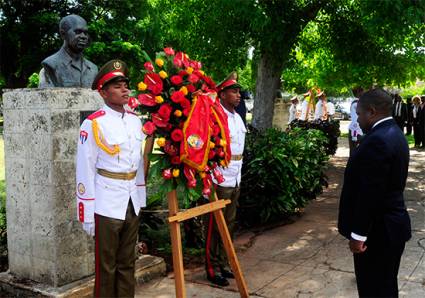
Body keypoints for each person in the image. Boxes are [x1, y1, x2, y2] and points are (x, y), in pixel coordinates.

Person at [76, 59, 147, 297]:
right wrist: (86, 212)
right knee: (106, 266)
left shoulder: (135, 121)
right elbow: (84, 168)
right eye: (117, 86)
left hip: (130, 200)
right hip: (106, 202)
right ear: (103, 92)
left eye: (126, 84)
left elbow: (136, 163)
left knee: (127, 263)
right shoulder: (93, 123)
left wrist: (141, 197)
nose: (125, 89)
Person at [338, 88, 411, 298]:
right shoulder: (394, 132)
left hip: (378, 232)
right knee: (385, 286)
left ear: (371, 111)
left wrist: (358, 235)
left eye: (359, 114)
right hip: (390, 228)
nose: (358, 119)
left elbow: (370, 194)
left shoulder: (378, 140)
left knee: (374, 289)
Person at [205, 72, 246, 286]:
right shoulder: (215, 115)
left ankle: (222, 262)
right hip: (219, 175)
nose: (238, 95)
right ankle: (211, 267)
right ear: (221, 94)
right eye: (234, 91)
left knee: (228, 223)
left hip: (235, 174)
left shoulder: (237, 116)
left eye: (239, 91)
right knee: (214, 224)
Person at [39, 14, 98, 87]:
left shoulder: (93, 68)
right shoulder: (51, 65)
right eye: (78, 32)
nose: (83, 37)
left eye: (85, 33)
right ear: (63, 34)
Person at [348, 87, 364, 155]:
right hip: (356, 131)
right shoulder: (356, 104)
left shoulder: (358, 102)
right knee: (354, 152)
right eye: (362, 92)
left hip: (358, 131)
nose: (363, 93)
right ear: (358, 93)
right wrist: (354, 135)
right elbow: (355, 120)